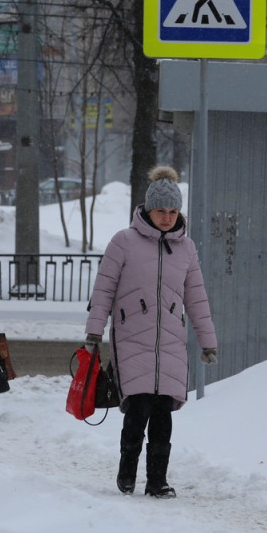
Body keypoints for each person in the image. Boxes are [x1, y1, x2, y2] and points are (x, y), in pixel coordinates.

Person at [85, 166, 218, 498]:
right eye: (161, 211)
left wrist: (207, 341)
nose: (167, 217)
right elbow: (103, 291)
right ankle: (127, 473)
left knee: (163, 416)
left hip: (171, 343)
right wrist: (93, 334)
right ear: (148, 208)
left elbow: (197, 298)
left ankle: (157, 481)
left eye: (173, 212)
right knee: (137, 410)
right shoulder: (124, 242)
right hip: (132, 339)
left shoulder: (186, 249)